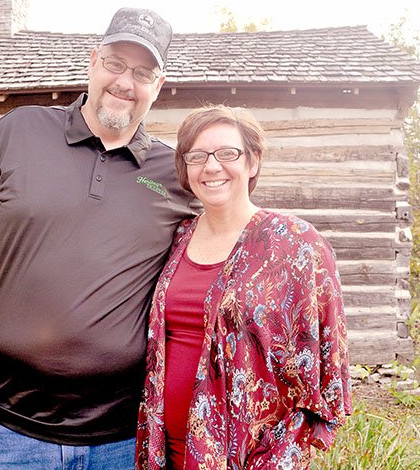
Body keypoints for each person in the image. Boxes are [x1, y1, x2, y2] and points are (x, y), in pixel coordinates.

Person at [0, 7, 200, 469]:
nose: (125, 82)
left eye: (143, 72)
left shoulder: (173, 176)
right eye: (115, 63)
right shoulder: (19, 132)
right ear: (93, 61)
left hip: (119, 438)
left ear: (158, 84)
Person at [135, 105, 352, 469]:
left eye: (227, 153)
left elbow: (329, 361)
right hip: (166, 451)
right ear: (185, 170)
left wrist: (285, 452)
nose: (212, 166)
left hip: (252, 458)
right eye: (198, 156)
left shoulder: (296, 243)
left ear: (252, 163)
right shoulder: (176, 238)